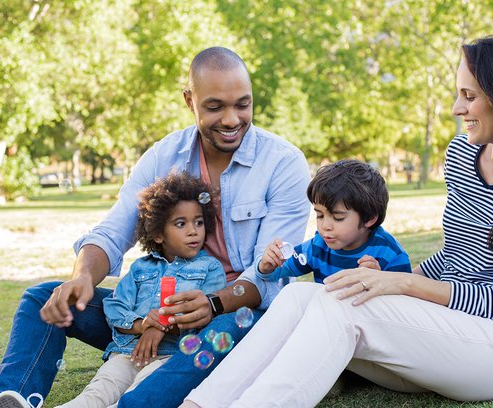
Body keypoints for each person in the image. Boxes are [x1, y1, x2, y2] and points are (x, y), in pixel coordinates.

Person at [0, 47, 311, 408]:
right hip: (157, 316)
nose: (232, 119)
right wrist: (82, 278)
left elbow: (269, 273)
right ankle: (10, 400)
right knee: (44, 295)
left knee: (223, 328)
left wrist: (214, 304)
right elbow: (112, 231)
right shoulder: (163, 157)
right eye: (215, 106)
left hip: (239, 316)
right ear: (190, 100)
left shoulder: (283, 163)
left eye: (243, 105)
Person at [180, 36, 493, 408]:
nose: (458, 108)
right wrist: (390, 282)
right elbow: (459, 256)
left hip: (483, 349)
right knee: (299, 296)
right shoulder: (462, 156)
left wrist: (404, 284)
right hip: (438, 335)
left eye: (469, 96)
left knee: (342, 301)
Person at [52, 172, 227, 408]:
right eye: (180, 224)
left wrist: (161, 326)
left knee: (138, 394)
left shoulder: (210, 268)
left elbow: (204, 316)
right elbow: (115, 306)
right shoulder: (141, 268)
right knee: (95, 394)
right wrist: (143, 324)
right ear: (157, 233)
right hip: (128, 352)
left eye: (198, 222)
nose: (193, 231)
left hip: (171, 356)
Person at [256, 159, 411, 286]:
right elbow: (278, 273)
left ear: (369, 218)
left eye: (337, 217)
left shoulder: (390, 254)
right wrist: (267, 266)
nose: (325, 226)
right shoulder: (318, 246)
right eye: (320, 215)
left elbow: (402, 307)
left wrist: (380, 280)